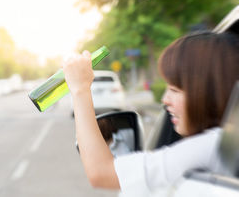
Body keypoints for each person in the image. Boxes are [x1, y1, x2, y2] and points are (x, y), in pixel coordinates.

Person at [62, 31, 239, 195]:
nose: (165, 99)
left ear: (209, 92)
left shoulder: (214, 145)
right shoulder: (220, 143)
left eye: (175, 90)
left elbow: (101, 173)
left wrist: (80, 90)